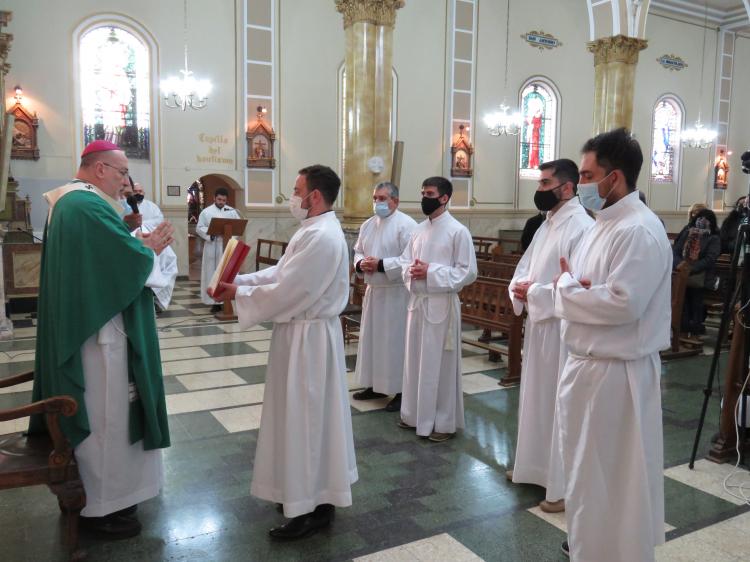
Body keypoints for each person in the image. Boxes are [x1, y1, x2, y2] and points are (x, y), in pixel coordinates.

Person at [30, 140, 174, 539]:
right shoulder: (87, 205)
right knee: (108, 421)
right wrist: (149, 250)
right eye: (121, 172)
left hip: (92, 328)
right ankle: (102, 508)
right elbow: (120, 261)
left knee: (109, 418)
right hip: (100, 340)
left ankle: (101, 501)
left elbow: (101, 255)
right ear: (99, 169)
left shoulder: (72, 202)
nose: (126, 182)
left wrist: (134, 245)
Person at [211, 165, 357, 540]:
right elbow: (281, 273)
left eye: (297, 190)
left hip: (309, 340)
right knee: (300, 418)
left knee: (307, 421)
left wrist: (239, 294)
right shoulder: (311, 231)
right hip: (298, 336)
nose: (293, 196)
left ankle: (309, 508)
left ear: (315, 197)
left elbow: (291, 290)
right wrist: (240, 281)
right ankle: (307, 494)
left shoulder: (324, 236)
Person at [553, 128, 670, 561]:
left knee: (612, 479)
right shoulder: (601, 227)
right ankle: (589, 547)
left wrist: (567, 289)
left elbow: (623, 303)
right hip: (589, 367)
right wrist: (572, 288)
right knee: (587, 475)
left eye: (586, 175)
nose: (580, 184)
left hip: (616, 375)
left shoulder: (638, 231)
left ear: (613, 178)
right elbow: (585, 288)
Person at [507, 159, 593, 514]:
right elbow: (523, 268)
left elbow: (578, 281)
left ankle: (559, 486)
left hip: (561, 330)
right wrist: (519, 287)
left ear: (567, 188)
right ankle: (534, 466)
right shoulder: (547, 224)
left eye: (545, 184)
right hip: (539, 326)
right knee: (535, 400)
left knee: (560, 406)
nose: (539, 190)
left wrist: (536, 292)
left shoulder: (581, 226)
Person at [398, 176, 477, 442]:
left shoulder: (458, 231)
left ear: (444, 198)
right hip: (418, 304)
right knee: (415, 361)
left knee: (438, 365)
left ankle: (442, 422)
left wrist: (431, 272)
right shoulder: (418, 230)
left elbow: (468, 272)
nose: (425, 197)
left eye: (430, 193)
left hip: (442, 305)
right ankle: (414, 415)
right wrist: (412, 271)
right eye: (422, 192)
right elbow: (404, 262)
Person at [352, 182, 417, 412]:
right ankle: (374, 385)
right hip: (374, 292)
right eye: (375, 198)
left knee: (395, 343)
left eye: (382, 198)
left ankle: (401, 391)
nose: (377, 202)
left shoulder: (407, 225)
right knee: (372, 342)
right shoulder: (368, 224)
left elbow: (410, 260)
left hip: (397, 293)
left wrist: (380, 264)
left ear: (395, 201)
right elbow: (358, 250)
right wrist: (361, 263)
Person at [673, 208, 721, 335]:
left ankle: (694, 331)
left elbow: (710, 259)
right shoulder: (688, 232)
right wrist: (680, 266)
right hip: (681, 273)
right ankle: (681, 329)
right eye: (700, 218)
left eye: (706, 219)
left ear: (711, 222)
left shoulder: (713, 238)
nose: (702, 221)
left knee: (695, 302)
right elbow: (676, 251)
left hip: (701, 276)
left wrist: (691, 269)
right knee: (681, 302)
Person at [196, 187, 240, 311]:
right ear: (214, 198)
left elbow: (238, 227)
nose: (221, 202)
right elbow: (199, 228)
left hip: (227, 246)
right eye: (219, 199)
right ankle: (214, 302)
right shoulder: (206, 212)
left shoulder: (232, 212)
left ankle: (227, 300)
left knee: (226, 273)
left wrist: (230, 235)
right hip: (212, 245)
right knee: (212, 273)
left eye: (224, 200)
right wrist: (212, 235)